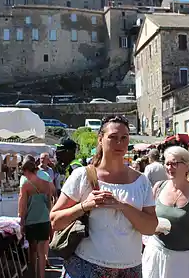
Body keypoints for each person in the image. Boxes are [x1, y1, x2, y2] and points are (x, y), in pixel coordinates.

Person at [51, 116, 158, 278]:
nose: (120, 143)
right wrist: (85, 206)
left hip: (130, 269)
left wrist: (122, 205)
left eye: (124, 138)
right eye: (113, 137)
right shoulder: (83, 176)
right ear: (100, 139)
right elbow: (55, 221)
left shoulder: (141, 181)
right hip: (86, 267)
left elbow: (150, 228)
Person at [142, 146, 189, 278]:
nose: (169, 167)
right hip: (156, 253)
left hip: (183, 259)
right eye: (167, 164)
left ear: (186, 166)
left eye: (174, 163)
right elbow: (147, 217)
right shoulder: (158, 187)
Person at [19, 157, 54, 278]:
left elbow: (22, 206)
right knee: (41, 251)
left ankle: (33, 274)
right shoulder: (45, 183)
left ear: (27, 171)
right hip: (44, 219)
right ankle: (42, 276)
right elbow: (49, 202)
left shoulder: (25, 185)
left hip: (31, 221)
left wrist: (21, 221)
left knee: (32, 251)